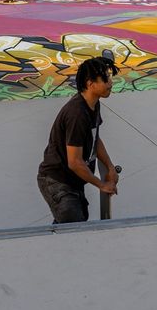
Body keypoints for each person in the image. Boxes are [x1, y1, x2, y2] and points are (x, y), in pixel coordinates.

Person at [36, 56, 120, 224]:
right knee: (74, 226)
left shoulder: (93, 104)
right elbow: (74, 162)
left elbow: (94, 137)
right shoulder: (77, 114)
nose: (111, 83)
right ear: (90, 84)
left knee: (72, 223)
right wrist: (101, 185)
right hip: (57, 181)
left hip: (72, 181)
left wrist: (110, 167)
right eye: (106, 79)